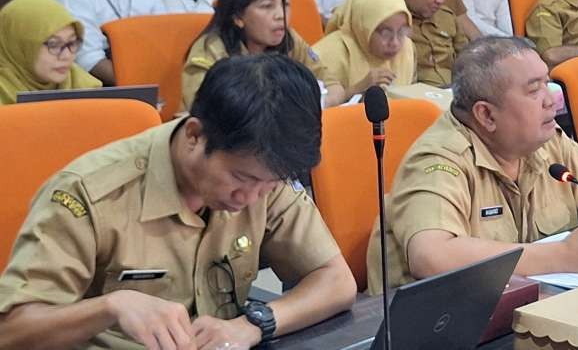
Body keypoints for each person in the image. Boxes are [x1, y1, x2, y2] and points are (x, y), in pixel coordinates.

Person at [0, 55, 357, 349]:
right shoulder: (88, 195)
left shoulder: (264, 170)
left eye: (267, 186)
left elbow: (336, 282)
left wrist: (253, 324)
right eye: (241, 179)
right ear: (194, 136)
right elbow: (12, 331)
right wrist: (110, 307)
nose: (250, 198)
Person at [365, 37, 578, 295]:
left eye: (548, 84)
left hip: (526, 303)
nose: (550, 99)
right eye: (534, 90)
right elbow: (431, 257)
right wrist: (561, 256)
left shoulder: (544, 140)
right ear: (486, 115)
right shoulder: (440, 159)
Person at [181, 0, 345, 111]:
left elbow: (332, 84)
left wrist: (319, 103)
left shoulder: (290, 39)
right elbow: (205, 112)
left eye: (285, 5)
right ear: (238, 17)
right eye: (267, 6)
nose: (280, 15)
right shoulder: (209, 52)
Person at [313, 0, 416, 96]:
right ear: (362, 27)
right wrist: (356, 89)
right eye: (386, 33)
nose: (395, 43)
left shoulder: (407, 48)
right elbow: (313, 108)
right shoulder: (323, 56)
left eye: (402, 31)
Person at [0, 0, 102, 105]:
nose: (67, 56)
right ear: (19, 47)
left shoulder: (84, 86)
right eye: (54, 45)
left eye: (71, 43)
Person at [395, 0, 468, 87]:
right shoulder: (387, 18)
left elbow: (468, 60)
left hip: (455, 96)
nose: (441, 0)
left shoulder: (447, 17)